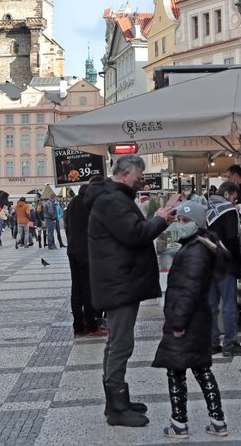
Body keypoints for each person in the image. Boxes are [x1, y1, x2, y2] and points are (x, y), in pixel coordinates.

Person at [88, 154, 177, 428]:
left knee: (116, 342)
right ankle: (116, 408)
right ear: (126, 173)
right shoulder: (113, 201)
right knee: (121, 344)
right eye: (138, 177)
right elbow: (135, 234)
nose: (140, 181)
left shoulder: (114, 197)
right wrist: (161, 218)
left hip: (119, 280)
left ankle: (116, 401)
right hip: (119, 282)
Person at [152, 200, 230, 439]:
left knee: (177, 371)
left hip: (187, 320)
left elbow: (189, 289)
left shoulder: (195, 251)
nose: (179, 224)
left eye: (184, 220)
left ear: (196, 224)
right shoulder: (198, 246)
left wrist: (178, 323)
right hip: (196, 319)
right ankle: (217, 421)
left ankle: (179, 424)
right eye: (178, 220)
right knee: (201, 368)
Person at [207, 181, 241, 357]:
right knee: (229, 304)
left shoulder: (204, 207)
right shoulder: (228, 210)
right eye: (234, 197)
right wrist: (238, 263)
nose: (234, 201)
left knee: (211, 305)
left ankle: (212, 342)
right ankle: (230, 343)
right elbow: (232, 239)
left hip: (208, 262)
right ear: (227, 194)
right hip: (226, 263)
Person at [66, 175, 105, 338]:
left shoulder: (74, 201)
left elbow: (67, 225)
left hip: (73, 250)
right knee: (89, 289)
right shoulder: (94, 203)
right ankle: (91, 326)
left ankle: (78, 327)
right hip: (88, 251)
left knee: (77, 289)